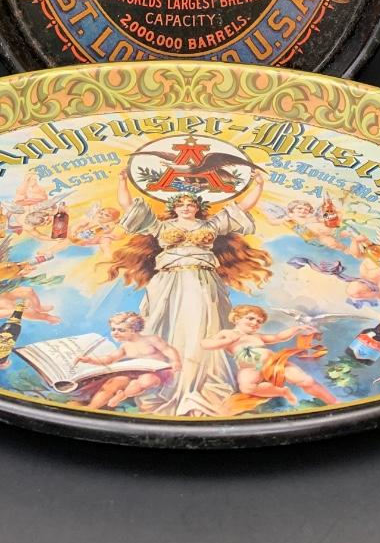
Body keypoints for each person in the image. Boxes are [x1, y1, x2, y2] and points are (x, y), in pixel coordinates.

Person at [104, 170, 271, 417]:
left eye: (190, 204)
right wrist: (122, 181)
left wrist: (258, 185)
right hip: (169, 281)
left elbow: (243, 207)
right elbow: (128, 206)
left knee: (202, 324)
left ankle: (203, 383)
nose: (185, 208)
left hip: (202, 280)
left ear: (197, 208)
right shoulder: (161, 226)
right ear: (174, 208)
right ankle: (168, 381)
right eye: (181, 204)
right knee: (167, 323)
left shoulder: (211, 225)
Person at [202, 305, 337, 414]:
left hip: (274, 363)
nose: (255, 323)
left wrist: (295, 329)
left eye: (259, 321)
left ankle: (333, 402)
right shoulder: (227, 334)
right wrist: (225, 341)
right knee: (247, 387)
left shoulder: (257, 336)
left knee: (306, 380)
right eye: (251, 318)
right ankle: (282, 391)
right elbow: (205, 344)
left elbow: (278, 337)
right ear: (237, 318)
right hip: (250, 368)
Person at [73, 312, 180, 410]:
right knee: (112, 383)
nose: (115, 333)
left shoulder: (151, 339)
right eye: (113, 329)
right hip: (134, 372)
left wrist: (176, 360)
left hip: (156, 372)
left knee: (146, 380)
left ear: (133, 330)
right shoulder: (125, 346)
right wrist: (90, 360)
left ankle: (123, 395)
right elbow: (110, 359)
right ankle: (91, 407)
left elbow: (167, 349)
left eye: (121, 330)